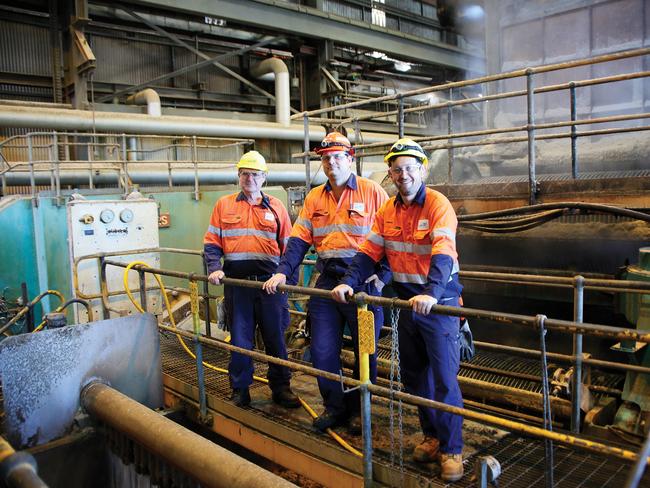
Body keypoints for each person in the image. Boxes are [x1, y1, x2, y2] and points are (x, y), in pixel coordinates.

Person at [330, 138, 464, 482]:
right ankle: (432, 436)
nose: (403, 174)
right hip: (407, 305)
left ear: (422, 169)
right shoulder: (387, 210)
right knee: (416, 377)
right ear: (390, 173)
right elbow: (368, 253)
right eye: (397, 169)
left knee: (446, 381)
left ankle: (452, 449)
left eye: (409, 167)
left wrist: (432, 292)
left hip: (439, 305)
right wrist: (348, 281)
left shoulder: (438, 204)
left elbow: (443, 252)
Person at [263, 131, 390, 433]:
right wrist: (282, 272)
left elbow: (393, 235)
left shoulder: (373, 192)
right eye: (326, 158)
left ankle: (361, 411)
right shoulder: (315, 198)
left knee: (365, 351)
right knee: (321, 350)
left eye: (337, 157)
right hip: (329, 279)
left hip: (363, 284)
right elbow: (297, 241)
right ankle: (336, 407)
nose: (331, 163)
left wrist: (383, 276)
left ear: (350, 159)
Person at [203, 150, 300, 409]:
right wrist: (214, 267)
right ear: (238, 176)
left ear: (264, 178)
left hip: (271, 286)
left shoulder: (276, 206)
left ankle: (281, 388)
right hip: (238, 285)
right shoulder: (224, 205)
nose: (250, 179)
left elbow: (289, 248)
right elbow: (212, 243)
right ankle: (240, 389)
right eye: (245, 174)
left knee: (275, 338)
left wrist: (287, 282)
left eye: (255, 174)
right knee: (240, 340)